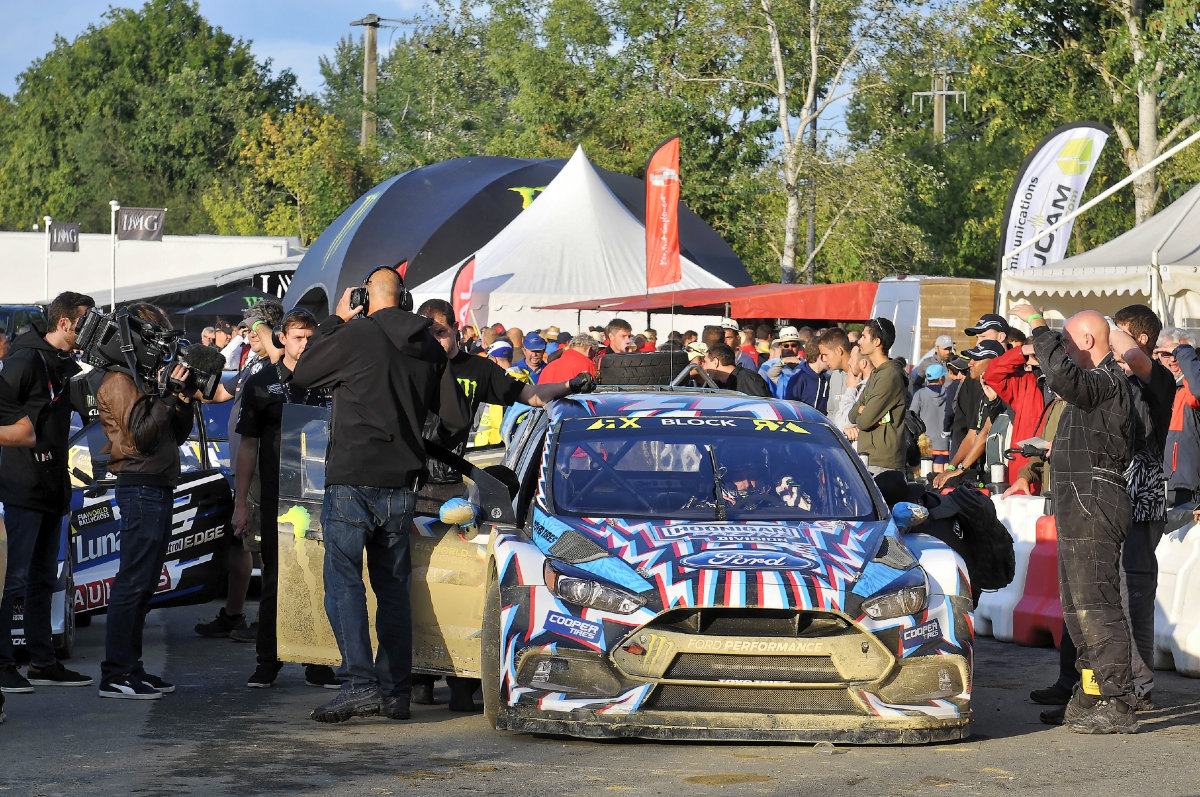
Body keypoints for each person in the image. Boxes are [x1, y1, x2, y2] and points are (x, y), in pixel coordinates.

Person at [289, 269, 471, 723]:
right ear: (404, 297)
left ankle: (359, 684)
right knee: (392, 590)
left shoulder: (358, 333)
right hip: (401, 484)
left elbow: (304, 373)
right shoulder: (429, 345)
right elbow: (454, 416)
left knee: (343, 583)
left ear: (367, 296)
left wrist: (336, 321)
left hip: (352, 477)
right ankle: (396, 693)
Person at [413, 300, 596, 709]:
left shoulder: (477, 370)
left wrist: (568, 387)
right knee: (413, 581)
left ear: (457, 331)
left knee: (455, 578)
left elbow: (529, 395)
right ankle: (418, 675)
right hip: (406, 483)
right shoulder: (409, 363)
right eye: (426, 334)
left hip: (451, 485)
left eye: (440, 332)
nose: (434, 341)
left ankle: (461, 682)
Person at [1014, 303, 1141, 734]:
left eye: (1067, 342)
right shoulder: (1096, 387)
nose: (1062, 351)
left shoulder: (1106, 381)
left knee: (1097, 609)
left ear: (1088, 341)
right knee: (1078, 612)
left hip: (1095, 503)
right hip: (1081, 504)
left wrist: (1036, 325)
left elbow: (1063, 376)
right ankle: (1091, 695)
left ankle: (1119, 703)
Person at [232, 309, 338, 690]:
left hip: (322, 495)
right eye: (298, 337)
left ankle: (319, 662)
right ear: (282, 338)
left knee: (320, 579)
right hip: (278, 496)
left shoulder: (331, 378)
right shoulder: (261, 383)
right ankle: (268, 661)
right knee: (276, 581)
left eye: (310, 337)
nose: (305, 344)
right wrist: (241, 502)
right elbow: (247, 445)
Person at [96, 303, 195, 699]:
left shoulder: (140, 379)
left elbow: (175, 436)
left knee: (143, 584)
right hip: (140, 487)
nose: (162, 345)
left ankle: (130, 669)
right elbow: (139, 439)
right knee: (133, 582)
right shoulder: (120, 380)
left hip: (154, 485)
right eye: (154, 336)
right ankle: (116, 673)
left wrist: (182, 400)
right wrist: (168, 396)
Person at [0, 292, 96, 694]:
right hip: (22, 485)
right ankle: (4, 663)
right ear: (64, 324)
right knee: (13, 579)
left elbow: (88, 408)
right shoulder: (24, 358)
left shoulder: (64, 364)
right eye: (85, 323)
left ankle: (42, 661)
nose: (90, 331)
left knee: (43, 577)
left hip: (54, 484)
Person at [933, 341, 1006, 488]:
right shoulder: (982, 387)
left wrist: (961, 469)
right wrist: (950, 468)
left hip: (1000, 472)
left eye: (976, 359)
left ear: (993, 361)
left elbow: (984, 433)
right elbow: (973, 433)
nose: (970, 364)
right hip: (982, 469)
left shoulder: (1002, 389)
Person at [843, 318, 907, 474]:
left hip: (883, 462)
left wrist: (864, 412)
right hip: (868, 457)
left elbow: (864, 422)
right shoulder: (876, 374)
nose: (859, 341)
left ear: (877, 341)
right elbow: (852, 414)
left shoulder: (889, 375)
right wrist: (863, 410)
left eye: (864, 337)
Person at [982, 339, 1045, 485]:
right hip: (1023, 473)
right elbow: (992, 374)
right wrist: (1022, 352)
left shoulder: (1068, 383)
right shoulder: (1025, 383)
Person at [911, 363, 952, 472]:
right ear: (941, 378)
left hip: (926, 443)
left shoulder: (920, 394)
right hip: (945, 442)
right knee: (944, 476)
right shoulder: (949, 394)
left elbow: (912, 416)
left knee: (927, 476)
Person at [702, 344, 771, 397]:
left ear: (715, 362)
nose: (704, 367)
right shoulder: (716, 384)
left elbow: (762, 407)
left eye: (705, 362)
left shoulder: (748, 379)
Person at [784, 338, 830, 412]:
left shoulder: (827, 379)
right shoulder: (797, 380)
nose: (831, 358)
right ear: (821, 356)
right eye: (828, 354)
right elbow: (790, 410)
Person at [762, 327, 804, 397]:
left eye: (793, 345)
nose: (790, 348)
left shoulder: (805, 365)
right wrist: (783, 362)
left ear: (798, 347)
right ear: (780, 347)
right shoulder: (767, 366)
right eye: (786, 345)